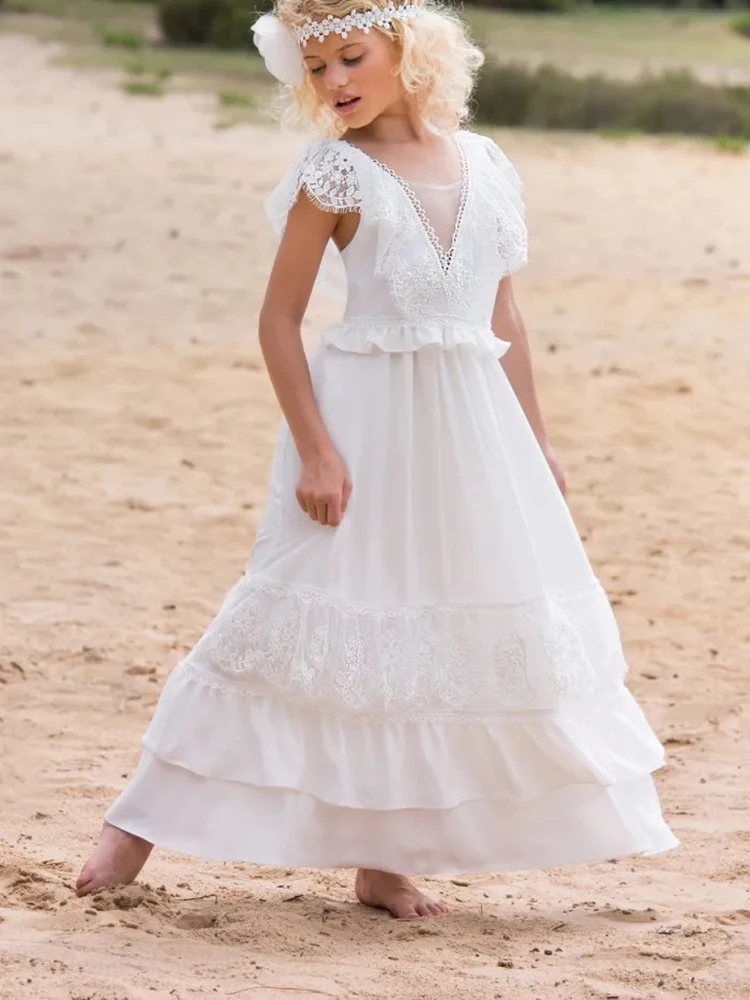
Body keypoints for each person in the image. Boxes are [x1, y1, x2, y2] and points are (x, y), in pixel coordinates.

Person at [76, 0, 678, 919]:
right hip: (361, 425)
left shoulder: (487, 164)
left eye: (349, 59)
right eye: (315, 70)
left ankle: (385, 863)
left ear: (407, 49)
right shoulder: (335, 174)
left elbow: (503, 317)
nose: (334, 85)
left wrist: (539, 442)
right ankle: (135, 823)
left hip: (472, 432)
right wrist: (317, 450)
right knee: (282, 618)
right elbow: (277, 320)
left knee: (434, 627)